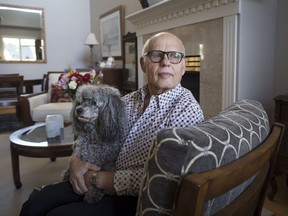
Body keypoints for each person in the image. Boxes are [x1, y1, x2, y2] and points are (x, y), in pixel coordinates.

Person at [20, 32, 204, 216]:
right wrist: (76, 158)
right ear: (142, 64)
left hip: (136, 198)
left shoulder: (187, 110)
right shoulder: (126, 100)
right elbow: (92, 131)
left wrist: (99, 179)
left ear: (184, 66)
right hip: (98, 177)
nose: (165, 62)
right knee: (35, 203)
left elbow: (165, 178)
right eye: (156, 55)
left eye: (175, 56)